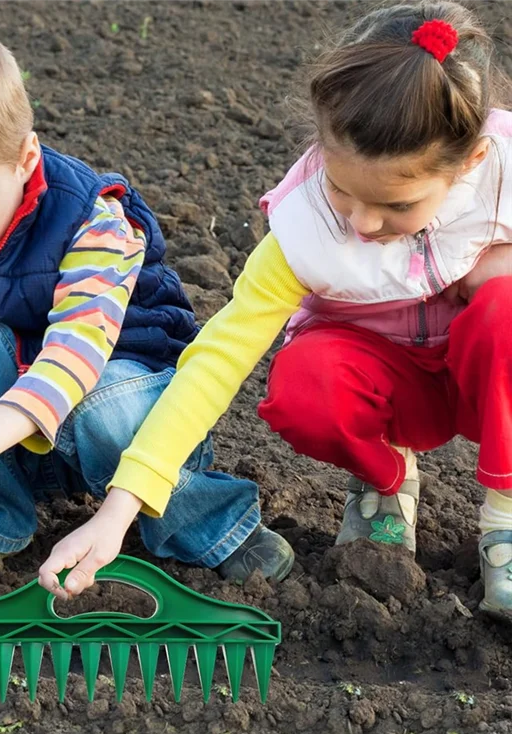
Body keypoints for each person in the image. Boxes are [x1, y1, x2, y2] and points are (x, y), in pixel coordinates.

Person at [40, 1, 512, 620]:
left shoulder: (501, 179)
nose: (363, 223)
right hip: (385, 384)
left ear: (469, 163)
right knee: (304, 382)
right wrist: (117, 510)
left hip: (486, 378)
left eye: (396, 205)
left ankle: (504, 520)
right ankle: (386, 478)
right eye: (343, 190)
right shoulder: (305, 231)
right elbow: (214, 362)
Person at [0, 24, 295, 584]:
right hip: (6, 447)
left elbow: (76, 352)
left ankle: (207, 525)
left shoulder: (94, 222)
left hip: (117, 420)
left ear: (25, 160)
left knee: (108, 405)